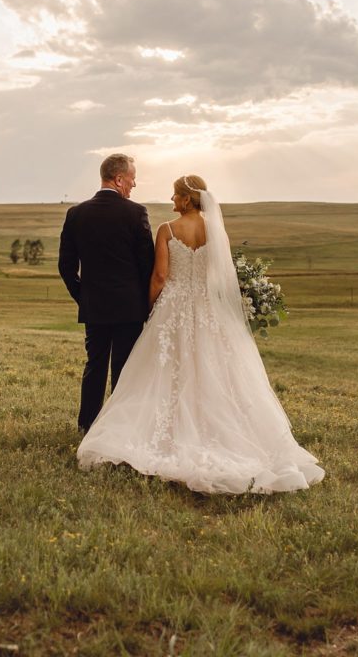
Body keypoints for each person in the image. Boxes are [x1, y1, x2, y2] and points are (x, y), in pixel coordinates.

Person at [77, 175, 325, 494]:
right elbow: (219, 276)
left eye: (175, 195)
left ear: (186, 198)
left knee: (163, 372)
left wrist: (150, 309)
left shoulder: (167, 229)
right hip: (208, 310)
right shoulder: (216, 231)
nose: (171, 199)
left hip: (174, 308)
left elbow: (161, 276)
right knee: (217, 371)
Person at [58, 154, 155, 433]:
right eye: (132, 179)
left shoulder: (76, 214)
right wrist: (143, 301)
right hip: (129, 309)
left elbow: (66, 266)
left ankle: (87, 425)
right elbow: (146, 263)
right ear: (119, 179)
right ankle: (120, 428)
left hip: (95, 307)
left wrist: (83, 296)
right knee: (124, 370)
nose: (134, 185)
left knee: (95, 366)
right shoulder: (136, 213)